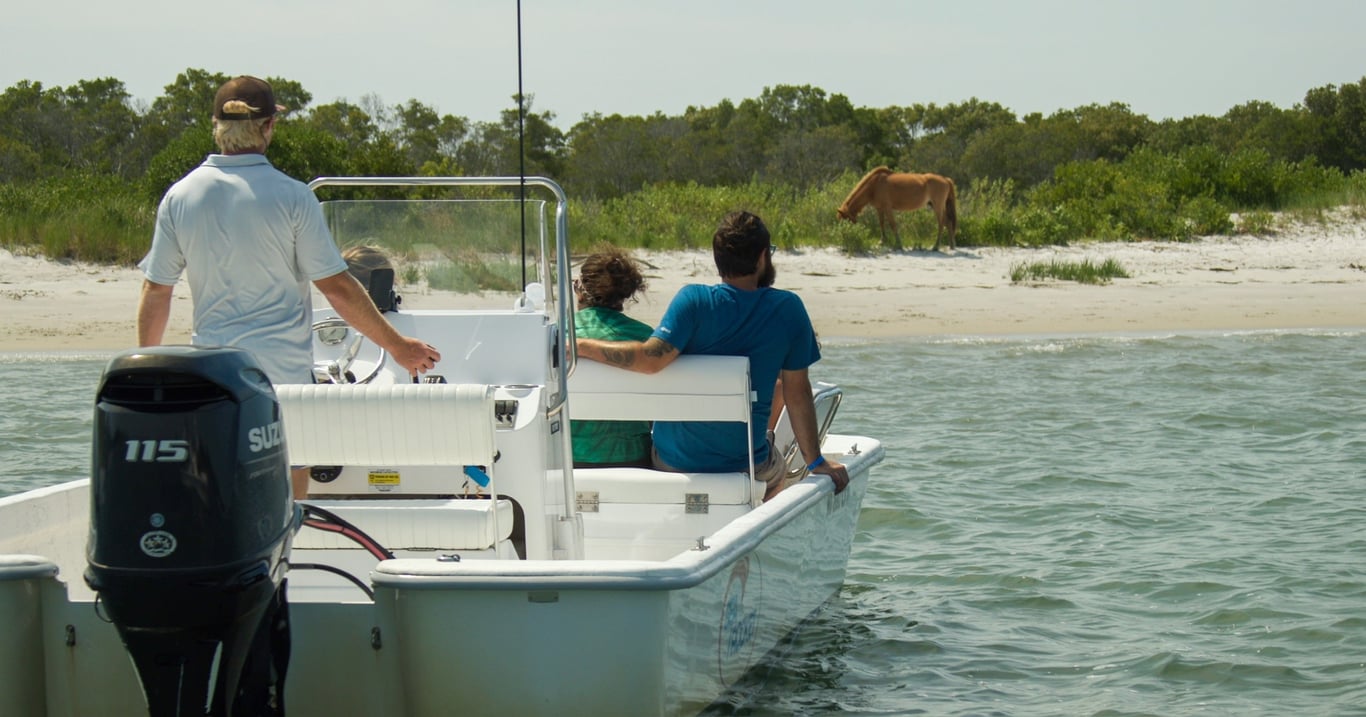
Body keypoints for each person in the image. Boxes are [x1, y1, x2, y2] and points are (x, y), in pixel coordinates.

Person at [136, 75, 442, 500]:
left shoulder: (180, 196)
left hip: (213, 378)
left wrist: (145, 374)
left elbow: (157, 292)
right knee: (289, 490)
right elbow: (337, 288)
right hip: (282, 381)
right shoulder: (293, 196)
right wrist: (397, 346)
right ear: (268, 127)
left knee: (221, 491)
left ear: (216, 126)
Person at [575, 211, 849, 499]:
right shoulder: (788, 309)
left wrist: (581, 346)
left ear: (719, 260)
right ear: (761, 258)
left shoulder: (693, 301)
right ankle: (757, 514)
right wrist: (815, 461)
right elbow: (797, 392)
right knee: (778, 469)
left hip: (672, 462)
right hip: (745, 465)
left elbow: (650, 359)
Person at [571, 244, 654, 467]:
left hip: (571, 454)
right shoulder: (646, 336)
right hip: (632, 454)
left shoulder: (560, 334)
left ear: (580, 288)